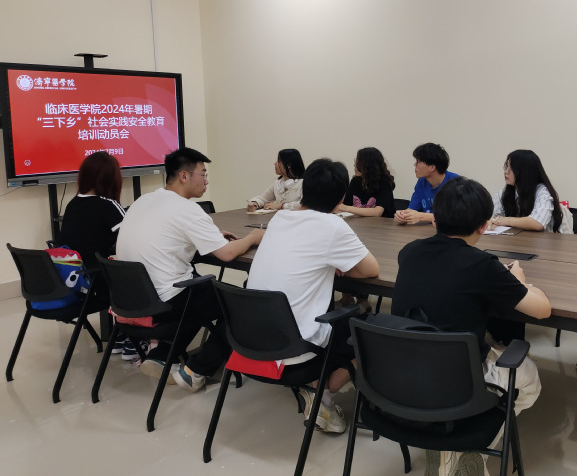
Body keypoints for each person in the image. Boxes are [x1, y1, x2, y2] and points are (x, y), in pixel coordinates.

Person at [392, 176, 551, 475]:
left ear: (434, 219)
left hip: (398, 375)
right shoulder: (483, 266)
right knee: (529, 378)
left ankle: (449, 444)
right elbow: (542, 310)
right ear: (484, 226)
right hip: (456, 381)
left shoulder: (409, 252)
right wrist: (518, 282)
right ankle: (466, 447)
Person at [247, 158, 380, 433]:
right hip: (294, 349)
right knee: (372, 330)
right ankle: (322, 392)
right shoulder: (332, 226)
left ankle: (319, 388)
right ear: (341, 198)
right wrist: (336, 262)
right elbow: (371, 270)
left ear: (304, 189)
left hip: (249, 339)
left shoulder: (279, 218)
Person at [116, 147, 264, 391]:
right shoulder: (187, 209)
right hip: (166, 299)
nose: (206, 181)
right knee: (241, 305)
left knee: (200, 289)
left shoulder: (144, 200)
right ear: (184, 176)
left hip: (132, 299)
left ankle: (162, 355)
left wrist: (209, 236)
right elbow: (227, 254)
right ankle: (197, 370)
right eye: (203, 174)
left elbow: (166, 236)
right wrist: (253, 237)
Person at [56, 151, 130, 356]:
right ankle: (134, 334)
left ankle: (120, 335)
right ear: (111, 178)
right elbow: (134, 237)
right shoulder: (107, 205)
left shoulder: (73, 204)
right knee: (142, 274)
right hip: (98, 283)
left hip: (74, 282)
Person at [488, 149, 573, 233]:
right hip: (520, 239)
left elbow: (538, 223)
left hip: (550, 240)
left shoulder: (542, 192)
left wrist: (505, 220)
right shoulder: (506, 192)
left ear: (525, 172)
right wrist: (492, 221)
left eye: (511, 168)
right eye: (506, 166)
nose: (506, 172)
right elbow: (490, 215)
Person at [394, 142, 458, 225]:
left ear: (432, 167)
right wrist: (402, 215)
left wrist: (422, 217)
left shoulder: (457, 184)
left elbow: (456, 218)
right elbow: (412, 209)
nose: (414, 164)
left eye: (418, 161)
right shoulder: (422, 182)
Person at [335, 147, 396, 218]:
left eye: (358, 162)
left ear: (368, 166)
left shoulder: (385, 183)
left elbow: (377, 212)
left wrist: (346, 208)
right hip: (359, 223)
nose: (354, 165)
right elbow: (345, 205)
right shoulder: (355, 181)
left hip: (381, 224)